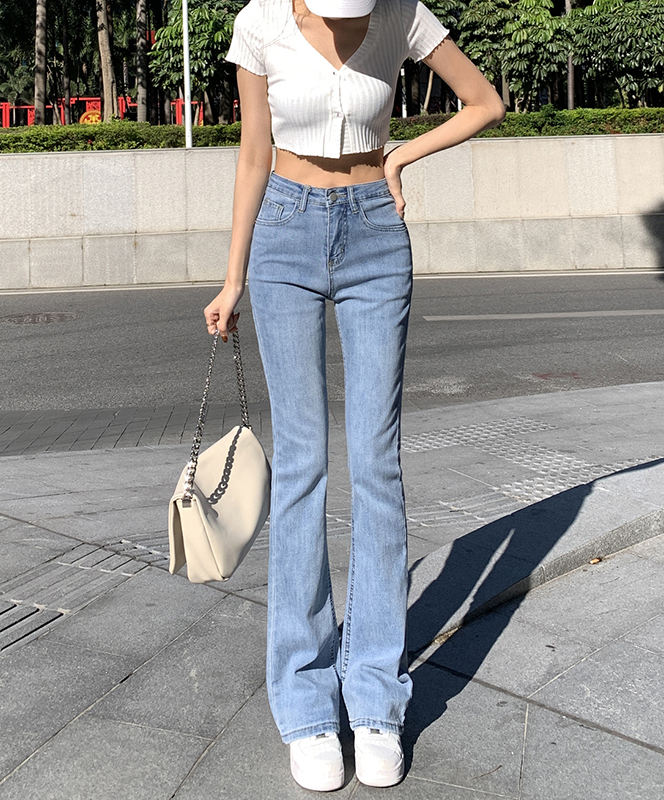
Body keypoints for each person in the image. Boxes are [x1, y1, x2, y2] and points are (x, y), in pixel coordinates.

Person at [203, 0, 505, 790]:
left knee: (376, 463)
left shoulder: (401, 13)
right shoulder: (259, 22)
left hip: (375, 232)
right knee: (302, 465)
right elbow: (253, 154)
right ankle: (306, 705)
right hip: (284, 235)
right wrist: (233, 279)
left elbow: (484, 102)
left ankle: (375, 699)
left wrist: (401, 158)